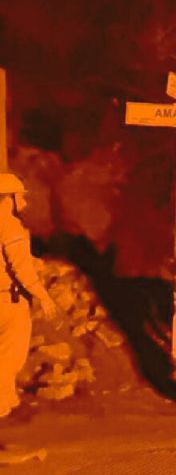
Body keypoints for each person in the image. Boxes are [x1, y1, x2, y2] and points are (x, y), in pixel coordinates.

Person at [0, 173, 58, 418]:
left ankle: (8, 400)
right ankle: (2, 407)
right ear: (8, 198)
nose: (23, 199)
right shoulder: (9, 224)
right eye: (20, 195)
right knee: (9, 355)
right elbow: (19, 267)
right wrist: (42, 295)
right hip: (8, 299)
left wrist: (32, 260)